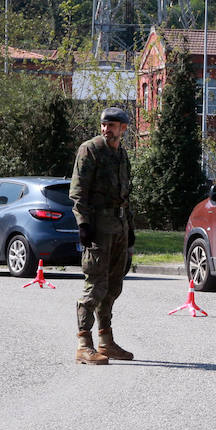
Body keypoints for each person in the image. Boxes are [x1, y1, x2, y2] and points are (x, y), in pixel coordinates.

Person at [70, 106, 136, 365]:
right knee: (95, 285)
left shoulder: (121, 154)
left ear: (124, 129)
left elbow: (125, 196)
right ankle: (83, 344)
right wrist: (83, 224)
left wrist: (130, 230)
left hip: (118, 226)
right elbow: (78, 192)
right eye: (104, 124)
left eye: (113, 125)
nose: (107, 129)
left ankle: (106, 341)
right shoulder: (91, 150)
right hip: (98, 226)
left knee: (113, 285)